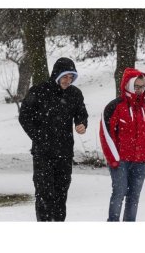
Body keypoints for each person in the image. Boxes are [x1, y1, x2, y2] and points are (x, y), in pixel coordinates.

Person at [19, 57, 88, 221]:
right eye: (65, 76)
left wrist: (81, 123)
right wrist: (38, 137)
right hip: (43, 154)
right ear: (57, 75)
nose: (68, 80)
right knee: (44, 194)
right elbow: (24, 116)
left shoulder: (75, 94)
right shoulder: (39, 91)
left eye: (71, 77)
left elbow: (81, 113)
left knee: (61, 193)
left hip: (64, 153)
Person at [100, 67, 145, 222]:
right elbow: (105, 133)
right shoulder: (115, 106)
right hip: (120, 160)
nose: (139, 90)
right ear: (128, 85)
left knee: (134, 197)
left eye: (142, 87)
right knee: (119, 192)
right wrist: (113, 158)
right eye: (136, 86)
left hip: (140, 162)